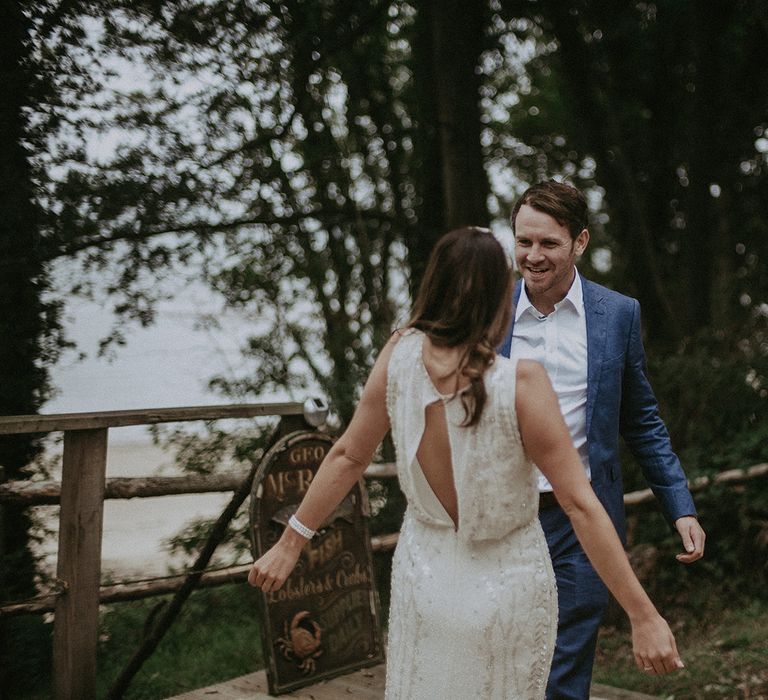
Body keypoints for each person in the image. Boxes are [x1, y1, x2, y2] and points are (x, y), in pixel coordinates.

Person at [249, 226, 684, 699]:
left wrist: (292, 542)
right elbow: (580, 503)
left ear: (433, 284)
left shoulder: (398, 356)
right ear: (501, 295)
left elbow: (348, 454)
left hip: (425, 579)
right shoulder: (521, 383)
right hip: (507, 590)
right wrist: (643, 614)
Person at [498, 180, 706, 700]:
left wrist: (678, 504)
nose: (533, 255)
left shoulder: (617, 314)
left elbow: (641, 421)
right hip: (500, 516)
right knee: (502, 659)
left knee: (564, 666)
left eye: (548, 243)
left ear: (580, 242)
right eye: (524, 241)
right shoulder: (486, 311)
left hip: (583, 519)